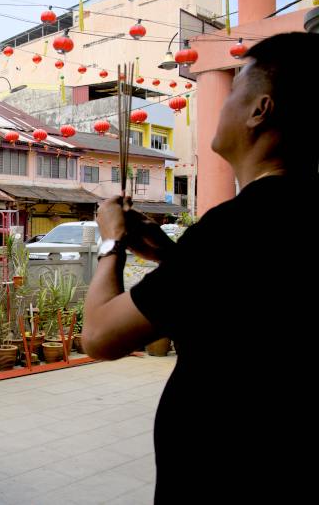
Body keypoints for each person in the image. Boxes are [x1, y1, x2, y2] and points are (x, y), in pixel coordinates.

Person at [83, 32, 318, 503]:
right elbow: (253, 292)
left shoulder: (238, 226)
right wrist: (172, 257)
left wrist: (112, 240)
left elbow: (99, 336)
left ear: (260, 110)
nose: (220, 103)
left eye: (233, 91)